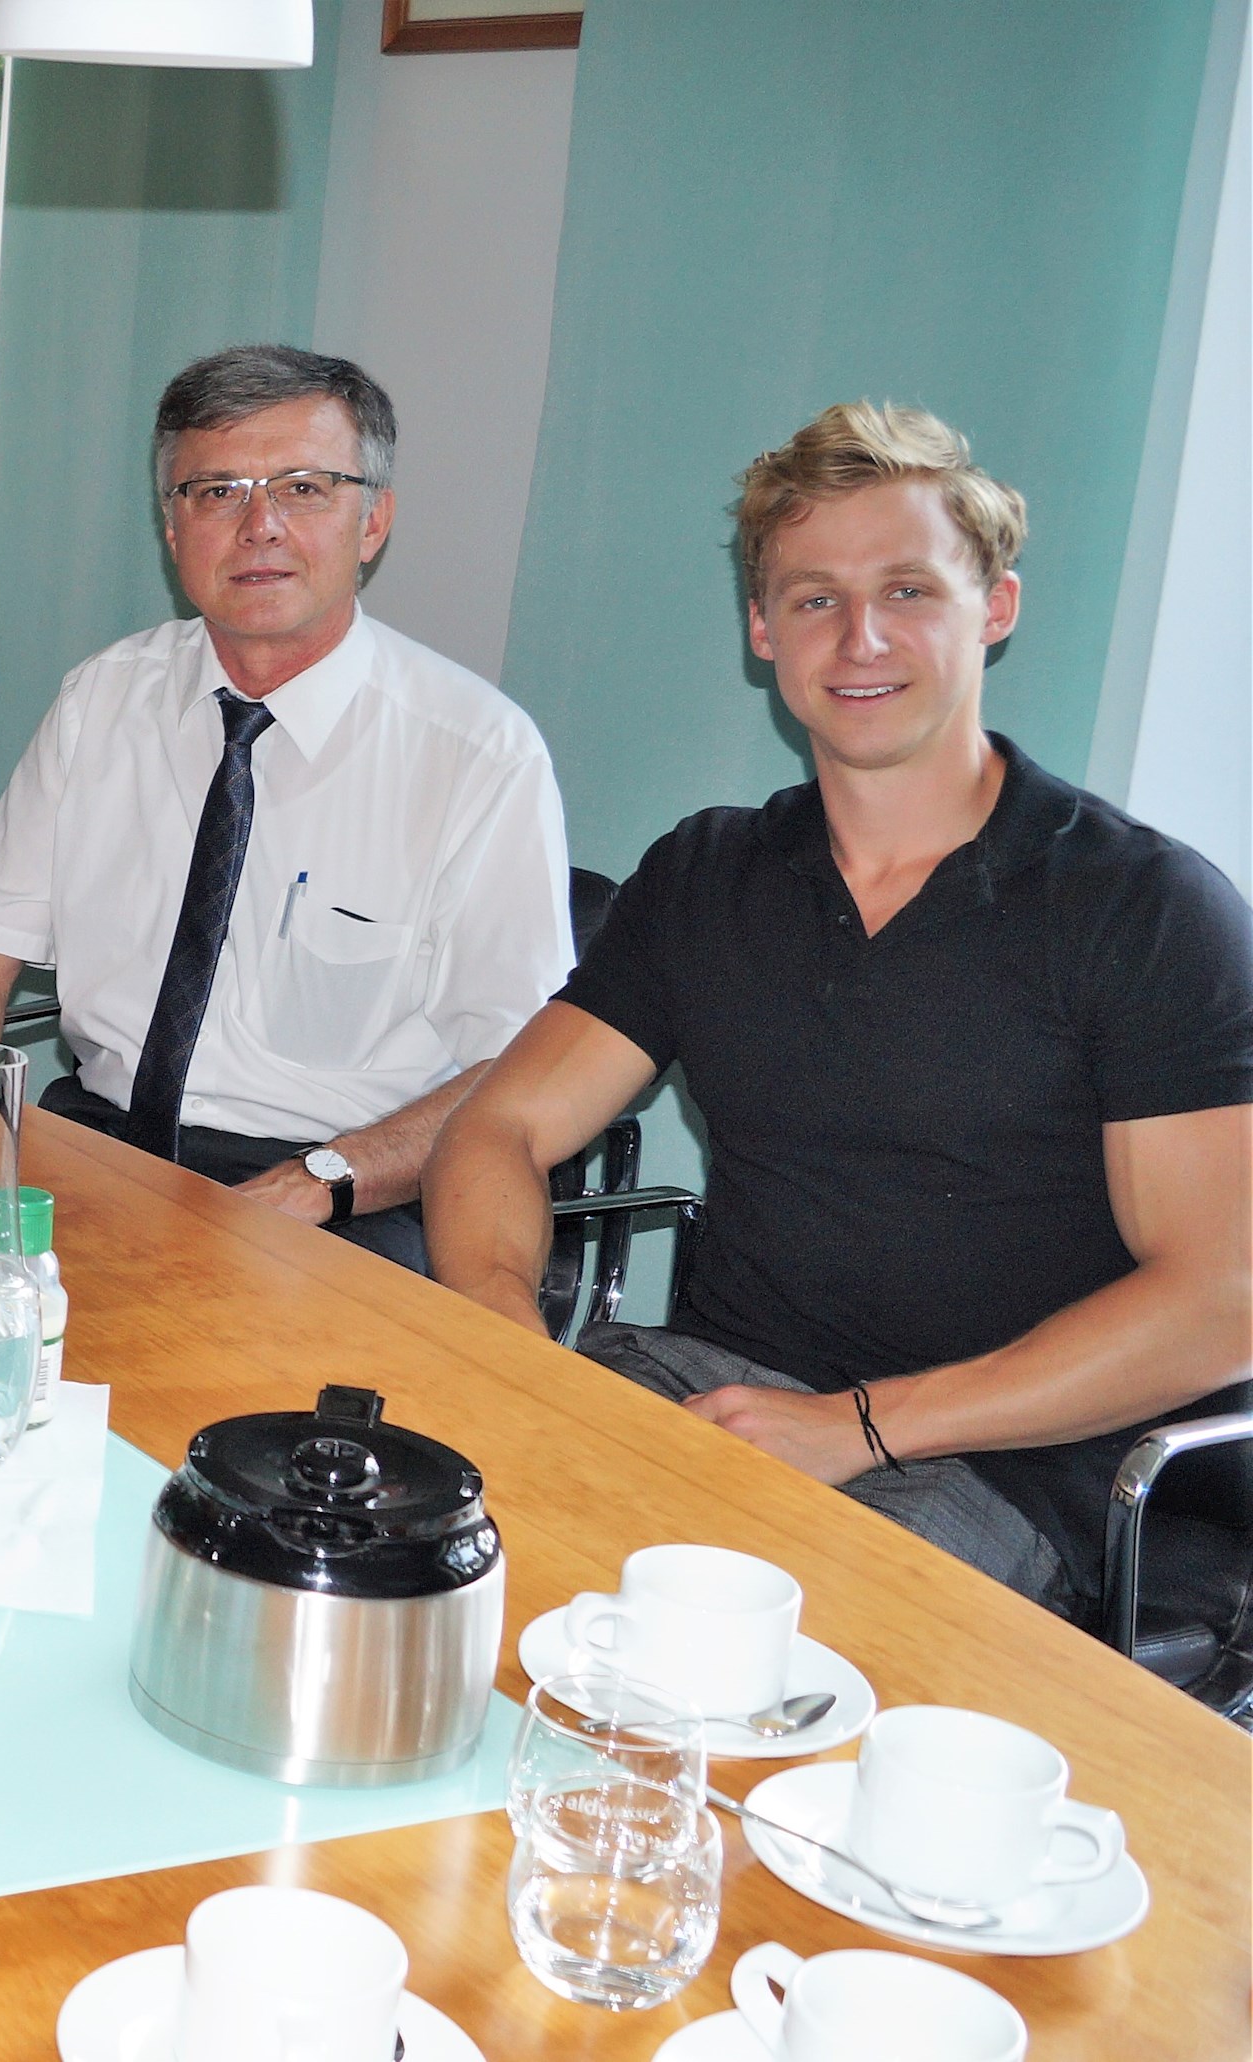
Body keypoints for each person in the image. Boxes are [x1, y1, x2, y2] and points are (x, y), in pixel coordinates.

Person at [430, 402, 1252, 1610]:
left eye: (909, 590)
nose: (860, 636)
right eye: (814, 598)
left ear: (997, 610)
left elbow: (1219, 1298)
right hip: (712, 1388)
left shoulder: (1141, 907)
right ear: (763, 630)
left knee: (733, 1651)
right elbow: (496, 1133)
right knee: (405, 1540)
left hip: (1001, 1461)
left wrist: (858, 1426)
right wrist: (508, 1336)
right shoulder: (709, 872)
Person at [0, 345, 570, 1270]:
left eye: (304, 488)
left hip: (344, 1197)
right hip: (100, 1150)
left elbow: (522, 1078)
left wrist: (318, 1182)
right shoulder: (106, 697)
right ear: (171, 532)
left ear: (374, 521)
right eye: (215, 492)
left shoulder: (477, 755)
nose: (259, 526)